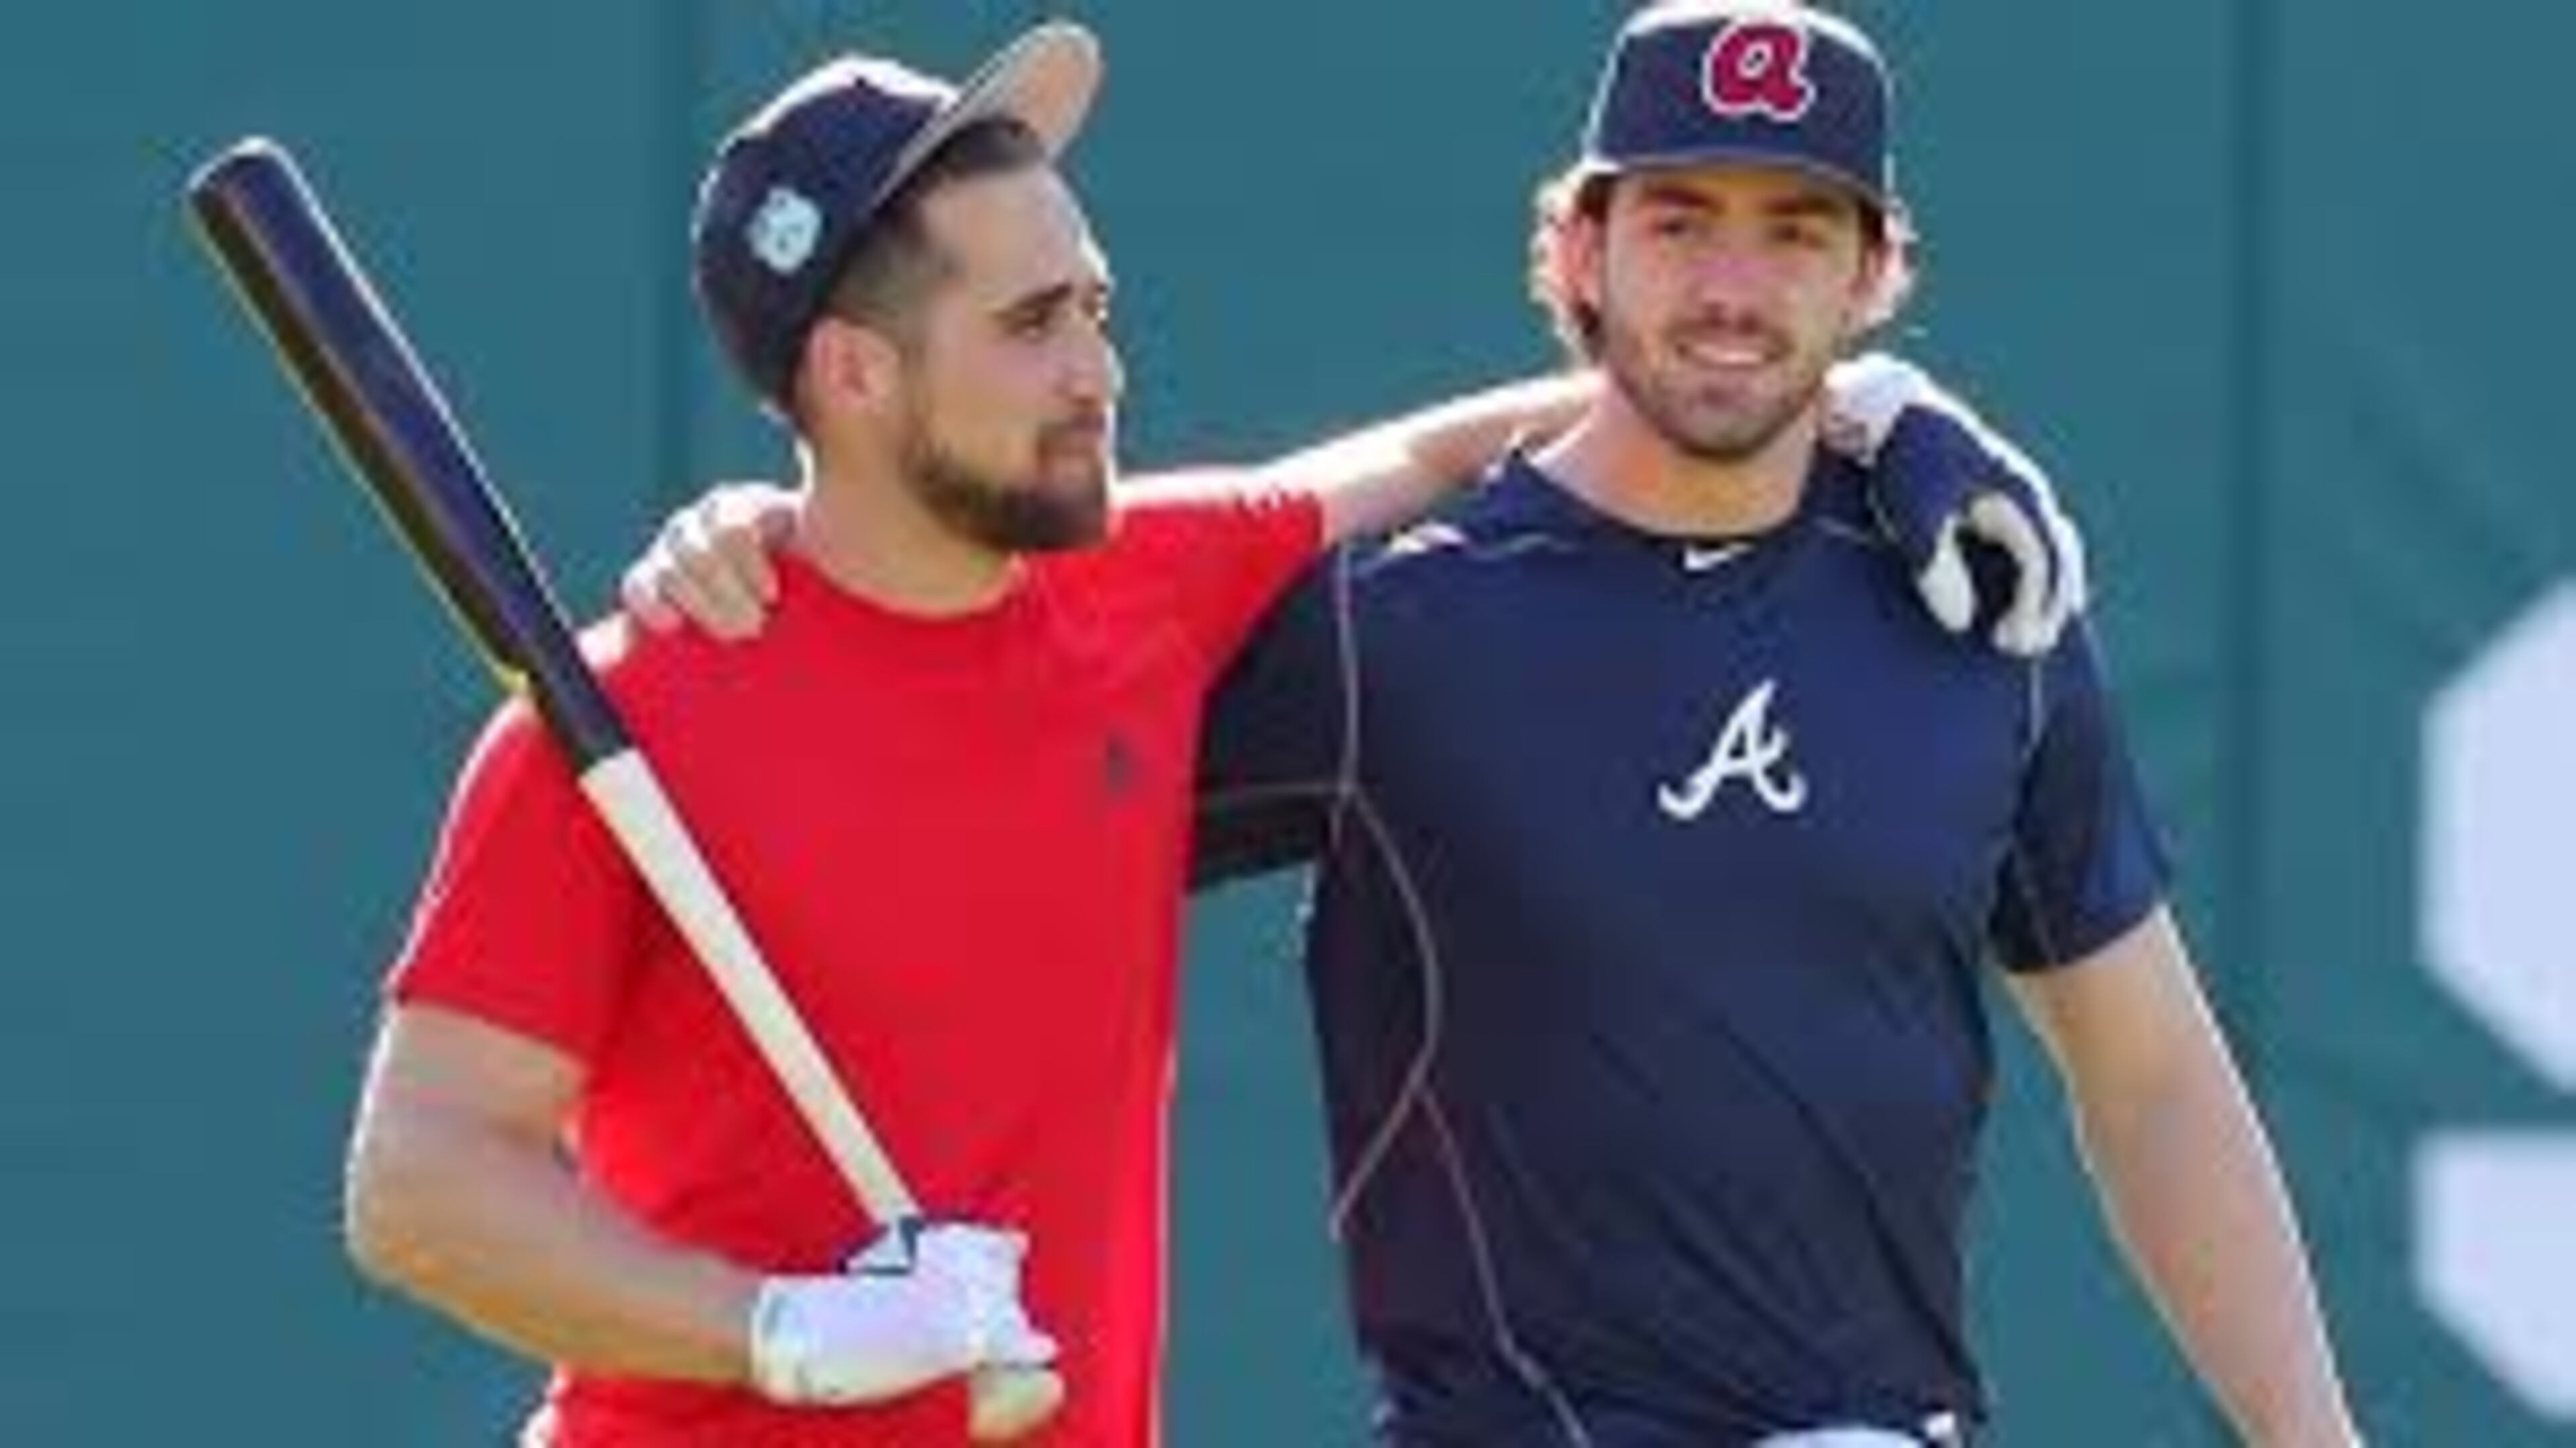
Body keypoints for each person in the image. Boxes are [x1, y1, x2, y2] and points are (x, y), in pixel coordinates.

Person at [584, 16, 2102, 1448]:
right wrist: (777, 1326)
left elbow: (1445, 446)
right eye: (1035, 319)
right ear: (853, 377)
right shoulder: (653, 698)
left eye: (1090, 309)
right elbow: (424, 1181)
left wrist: (1870, 408)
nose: (1094, 367)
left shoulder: (1156, 581)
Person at [1185, 4, 2361, 1443]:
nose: (1733, 285)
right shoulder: (1396, 627)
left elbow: (2154, 1071)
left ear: (1874, 277)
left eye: (1798, 230)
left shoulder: (1980, 609)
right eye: (1679, 220)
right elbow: (1032, 788)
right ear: (1577, 252)